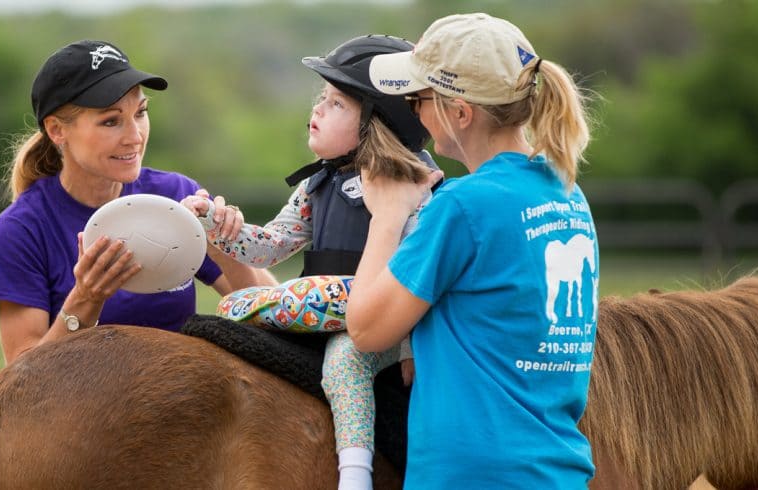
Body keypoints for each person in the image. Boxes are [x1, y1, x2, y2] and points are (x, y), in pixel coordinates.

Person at [347, 13, 600, 488]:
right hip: (555, 472)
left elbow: (365, 328)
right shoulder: (567, 193)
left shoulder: (463, 205)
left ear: (460, 113)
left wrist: (386, 214)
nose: (413, 111)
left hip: (470, 475)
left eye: (416, 98)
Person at [185, 35, 436, 490]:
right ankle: (273, 304)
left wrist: (413, 345)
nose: (317, 109)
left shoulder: (412, 186)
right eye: (322, 98)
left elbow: (421, 273)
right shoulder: (315, 187)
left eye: (336, 103)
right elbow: (268, 247)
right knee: (235, 311)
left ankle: (354, 477)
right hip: (323, 310)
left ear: (377, 122)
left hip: (379, 321)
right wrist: (219, 228)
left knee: (344, 360)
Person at [0, 40, 270, 365]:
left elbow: (272, 315)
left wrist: (224, 247)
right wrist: (85, 300)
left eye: (141, 113)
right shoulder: (21, 229)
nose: (134, 135)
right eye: (111, 121)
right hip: (83, 412)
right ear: (56, 130)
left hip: (182, 405)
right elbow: (22, 377)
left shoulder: (175, 195)